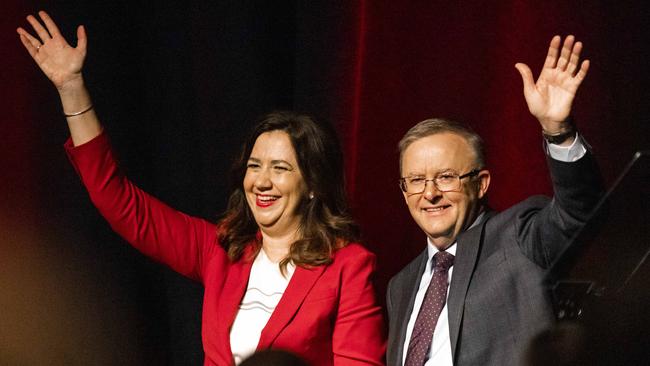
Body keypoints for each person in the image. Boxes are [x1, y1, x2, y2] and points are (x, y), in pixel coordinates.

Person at [17, 11, 386, 366]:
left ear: (312, 185)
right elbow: (118, 200)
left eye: (280, 168)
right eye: (254, 166)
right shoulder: (220, 250)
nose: (261, 181)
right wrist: (72, 89)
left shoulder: (347, 267)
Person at [386, 35, 604, 366]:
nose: (429, 193)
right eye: (416, 181)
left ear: (482, 183)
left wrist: (557, 131)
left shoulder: (519, 236)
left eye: (446, 177)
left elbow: (580, 211)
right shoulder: (400, 286)